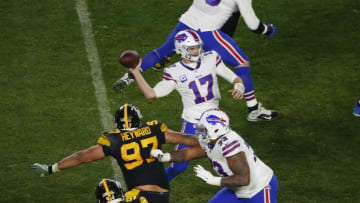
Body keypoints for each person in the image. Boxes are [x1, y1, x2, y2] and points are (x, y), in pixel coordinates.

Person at [113, 0, 278, 123]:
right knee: (242, 62)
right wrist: (267, 30)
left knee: (163, 51)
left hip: (186, 22)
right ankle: (254, 110)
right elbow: (253, 24)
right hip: (207, 31)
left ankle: (127, 78)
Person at [127, 29, 245, 182]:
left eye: (197, 47)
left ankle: (244, 190)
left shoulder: (211, 58)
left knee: (229, 159)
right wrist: (136, 73)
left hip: (215, 121)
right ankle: (155, 187)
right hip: (194, 122)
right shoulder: (174, 71)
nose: (197, 51)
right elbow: (151, 94)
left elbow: (235, 79)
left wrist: (239, 88)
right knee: (179, 166)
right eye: (192, 48)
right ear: (181, 50)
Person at [30, 103, 199, 203]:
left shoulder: (115, 140)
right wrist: (214, 141)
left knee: (107, 189)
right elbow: (185, 139)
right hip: (162, 196)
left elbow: (82, 157)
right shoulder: (154, 130)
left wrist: (52, 168)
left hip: (141, 197)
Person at [151, 108, 278, 203]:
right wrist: (166, 156)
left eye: (204, 129)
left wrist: (213, 180)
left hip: (260, 188)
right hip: (237, 190)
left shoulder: (230, 144)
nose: (200, 131)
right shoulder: (210, 140)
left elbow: (244, 179)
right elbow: (190, 153)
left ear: (217, 130)